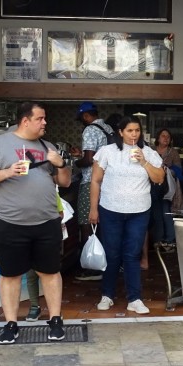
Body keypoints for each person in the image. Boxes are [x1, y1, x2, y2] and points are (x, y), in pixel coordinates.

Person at [0, 102, 72, 344]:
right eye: (40, 118)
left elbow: (65, 182)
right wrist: (8, 172)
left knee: (50, 272)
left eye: (45, 119)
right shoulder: (0, 144)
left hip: (46, 221)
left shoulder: (48, 147)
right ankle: (11, 324)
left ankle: (56, 320)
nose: (45, 123)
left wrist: (61, 164)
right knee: (10, 275)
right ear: (25, 121)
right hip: (8, 221)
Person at [89, 116, 164, 315]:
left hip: (139, 211)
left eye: (137, 131)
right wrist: (93, 209)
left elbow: (159, 178)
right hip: (110, 209)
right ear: (121, 132)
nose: (134, 134)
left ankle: (135, 298)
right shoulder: (107, 152)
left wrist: (144, 162)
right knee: (112, 254)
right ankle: (107, 295)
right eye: (129, 131)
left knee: (132, 254)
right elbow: (95, 181)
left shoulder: (148, 153)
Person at [69, 102, 113, 280]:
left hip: (90, 182)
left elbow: (89, 160)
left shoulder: (89, 130)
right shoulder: (108, 128)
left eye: (81, 119)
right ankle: (106, 263)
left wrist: (74, 162)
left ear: (86, 116)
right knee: (102, 224)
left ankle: (92, 267)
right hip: (108, 182)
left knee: (87, 223)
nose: (82, 122)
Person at [148, 128, 183, 251]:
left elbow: (179, 170)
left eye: (168, 136)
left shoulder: (173, 152)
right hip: (151, 186)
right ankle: (158, 240)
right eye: (163, 136)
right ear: (158, 138)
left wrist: (168, 171)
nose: (166, 138)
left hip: (166, 188)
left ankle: (169, 240)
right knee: (155, 213)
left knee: (166, 212)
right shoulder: (151, 151)